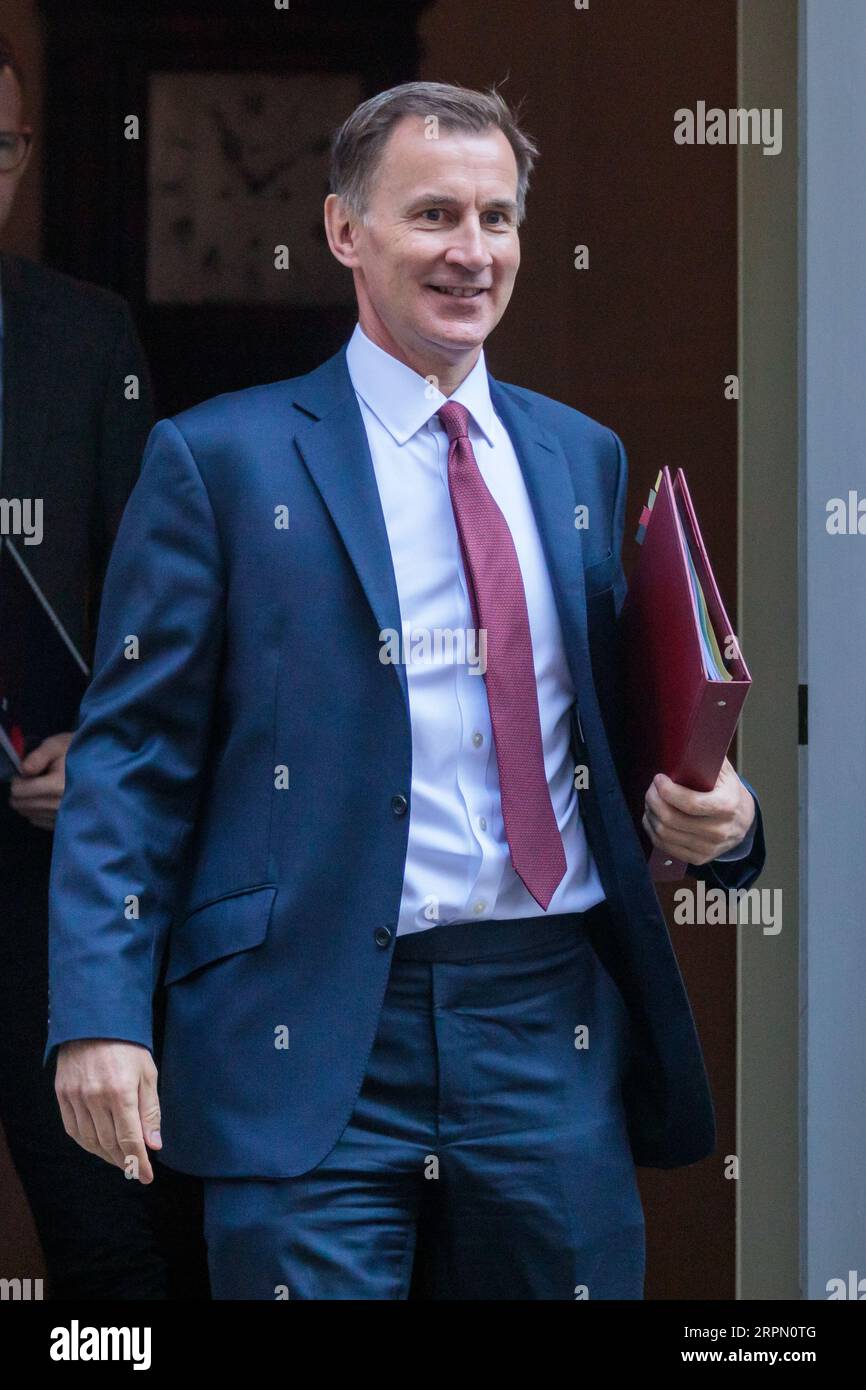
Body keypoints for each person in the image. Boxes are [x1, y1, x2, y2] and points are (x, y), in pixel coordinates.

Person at [46, 81, 764, 1300]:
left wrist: (728, 820)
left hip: (545, 1015)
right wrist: (98, 1013)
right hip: (307, 1020)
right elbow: (132, 757)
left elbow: (624, 725)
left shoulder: (577, 455)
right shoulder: (219, 461)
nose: (470, 253)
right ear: (342, 232)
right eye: (433, 214)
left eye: (496, 218)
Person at [0, 30, 206, 1299]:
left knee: (111, 1246)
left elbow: (158, 615)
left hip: (51, 876)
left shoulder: (83, 337)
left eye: (1, 143)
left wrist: (111, 745)